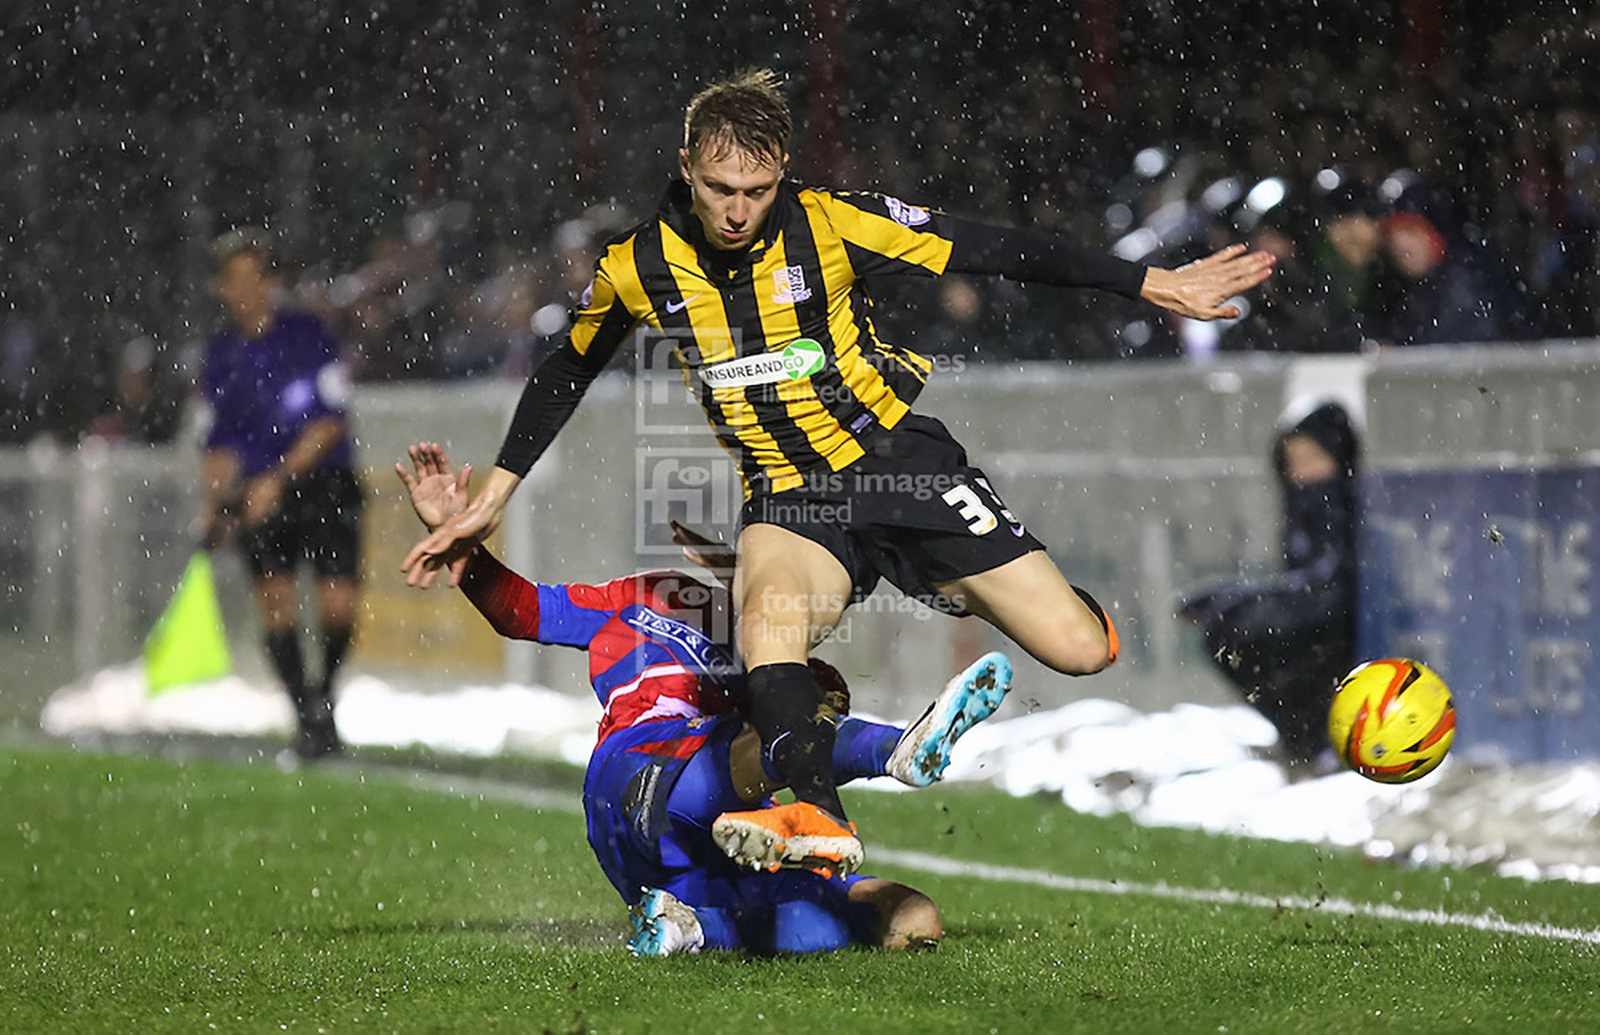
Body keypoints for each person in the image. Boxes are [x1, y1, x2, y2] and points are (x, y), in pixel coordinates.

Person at [402, 68, 1274, 875]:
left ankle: (952, 579)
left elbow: (990, 247)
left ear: (782, 171)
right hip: (789, 496)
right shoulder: (639, 265)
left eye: (756, 191)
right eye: (720, 189)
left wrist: (1149, 283)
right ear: (686, 167)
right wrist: (494, 496)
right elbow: (567, 366)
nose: (737, 210)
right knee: (766, 630)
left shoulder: (832, 222)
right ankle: (818, 814)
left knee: (1080, 649)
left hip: (896, 462)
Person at [396, 441, 1013, 955]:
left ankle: (688, 928)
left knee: (911, 918)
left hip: (707, 850)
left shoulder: (772, 645)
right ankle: (897, 750)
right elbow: (521, 611)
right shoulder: (646, 596)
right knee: (779, 731)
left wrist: (768, 614)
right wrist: (457, 538)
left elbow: (826, 699)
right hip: (639, 772)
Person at [200, 229, 363, 758]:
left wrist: (278, 478)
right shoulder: (220, 355)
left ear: (271, 282)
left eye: (255, 277)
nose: (246, 290)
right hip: (258, 495)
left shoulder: (309, 336)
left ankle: (323, 694)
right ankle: (308, 717)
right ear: (221, 288)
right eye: (235, 280)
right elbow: (219, 442)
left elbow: (330, 422)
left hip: (323, 485)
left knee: (339, 607)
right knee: (276, 606)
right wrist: (216, 506)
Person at [1176, 401, 1359, 772]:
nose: (1301, 474)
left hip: (1336, 632)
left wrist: (1240, 602)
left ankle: (1315, 742)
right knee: (1228, 637)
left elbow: (1327, 587)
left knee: (1244, 635)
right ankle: (1305, 742)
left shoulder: (1341, 504)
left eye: (1312, 459)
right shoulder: (1304, 504)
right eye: (1293, 462)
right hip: (1312, 623)